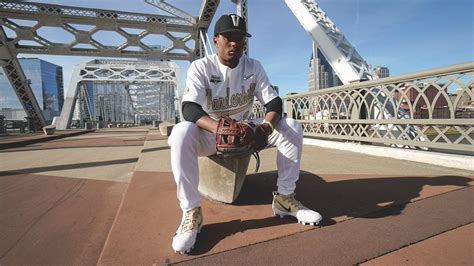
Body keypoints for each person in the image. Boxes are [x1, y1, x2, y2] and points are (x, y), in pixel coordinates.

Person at [168, 14, 322, 254]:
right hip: (212, 133)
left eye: (240, 38)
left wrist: (265, 128)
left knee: (291, 126)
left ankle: (284, 199)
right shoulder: (201, 66)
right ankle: (192, 212)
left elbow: (274, 103)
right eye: (229, 37)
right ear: (216, 39)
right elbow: (189, 108)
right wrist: (218, 128)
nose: (235, 43)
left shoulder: (254, 66)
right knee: (181, 132)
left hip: (247, 130)